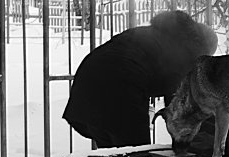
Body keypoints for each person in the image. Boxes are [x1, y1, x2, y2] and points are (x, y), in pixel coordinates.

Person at [63, 10, 218, 148]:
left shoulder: (159, 35)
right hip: (120, 87)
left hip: (86, 83)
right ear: (200, 47)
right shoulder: (183, 50)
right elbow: (178, 105)